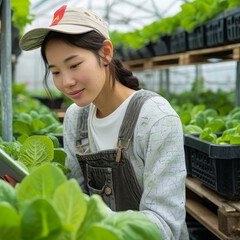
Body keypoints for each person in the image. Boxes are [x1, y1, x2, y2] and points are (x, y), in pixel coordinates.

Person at [17, 4, 189, 240]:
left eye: (74, 65)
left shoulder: (156, 120)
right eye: (55, 72)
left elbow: (165, 227)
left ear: (106, 53)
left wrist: (92, 215)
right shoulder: (75, 118)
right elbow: (73, 196)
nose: (66, 81)